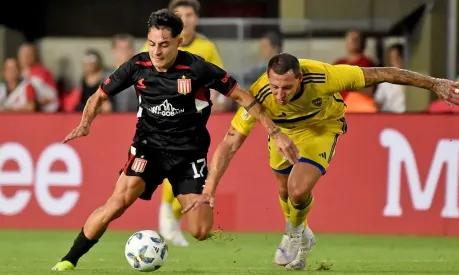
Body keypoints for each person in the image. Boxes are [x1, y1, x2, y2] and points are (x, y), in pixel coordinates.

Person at [51, 9, 298, 271]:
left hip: (188, 155)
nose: (156, 52)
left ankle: (180, 210)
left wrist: (273, 131)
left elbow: (244, 97)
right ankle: (68, 259)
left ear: (179, 42)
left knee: (200, 231)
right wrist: (85, 124)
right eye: (152, 44)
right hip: (148, 149)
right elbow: (98, 95)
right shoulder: (137, 66)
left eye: (164, 45)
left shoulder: (197, 68)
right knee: (116, 204)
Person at [183, 53, 459, 270]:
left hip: (320, 129)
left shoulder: (326, 76)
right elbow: (229, 142)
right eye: (275, 87)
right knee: (283, 191)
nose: (279, 95)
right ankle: (303, 233)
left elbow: (384, 73)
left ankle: (294, 233)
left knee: (297, 189)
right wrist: (209, 189)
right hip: (282, 133)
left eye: (286, 88)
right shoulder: (260, 95)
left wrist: (433, 83)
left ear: (301, 79)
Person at [142, 0, 229, 246]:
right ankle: (167, 215)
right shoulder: (155, 42)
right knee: (174, 165)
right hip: (160, 118)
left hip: (192, 119)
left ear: (196, 19)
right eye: (179, 14)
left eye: (189, 14)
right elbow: (141, 71)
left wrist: (220, 100)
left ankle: (171, 216)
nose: (185, 19)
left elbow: (218, 77)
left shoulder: (206, 47)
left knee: (187, 169)